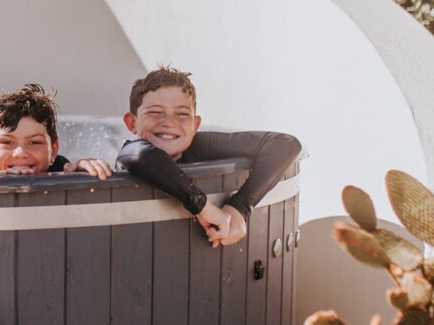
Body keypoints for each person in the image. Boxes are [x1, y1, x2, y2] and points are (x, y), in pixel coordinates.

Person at [117, 67, 301, 247]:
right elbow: (142, 157)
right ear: (132, 122)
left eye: (181, 114)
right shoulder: (132, 152)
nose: (169, 122)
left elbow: (285, 143)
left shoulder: (198, 145)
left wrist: (239, 207)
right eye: (155, 113)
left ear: (195, 125)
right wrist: (203, 207)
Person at [0, 84, 113, 179]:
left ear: (53, 150)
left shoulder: (62, 172)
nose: (20, 154)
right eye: (7, 142)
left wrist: (83, 171)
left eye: (34, 142)